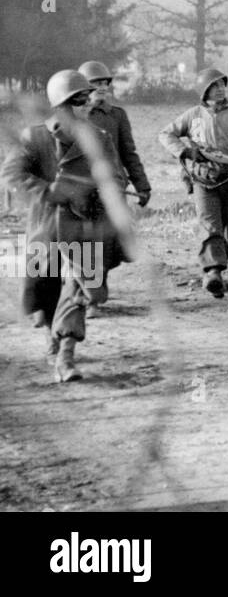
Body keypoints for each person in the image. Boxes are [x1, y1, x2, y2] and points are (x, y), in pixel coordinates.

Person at [1, 70, 118, 382]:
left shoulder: (100, 138)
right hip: (46, 223)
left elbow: (115, 177)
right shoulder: (35, 136)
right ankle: (53, 340)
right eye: (76, 101)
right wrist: (48, 190)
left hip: (86, 225)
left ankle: (66, 353)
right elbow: (12, 174)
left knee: (81, 288)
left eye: (85, 101)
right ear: (60, 105)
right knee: (45, 286)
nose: (84, 106)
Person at [158, 66, 228, 299]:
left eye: (222, 85)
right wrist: (185, 152)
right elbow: (166, 134)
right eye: (214, 86)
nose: (219, 90)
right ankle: (212, 271)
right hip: (202, 178)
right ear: (204, 92)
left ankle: (218, 268)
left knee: (227, 225)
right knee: (209, 223)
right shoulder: (192, 115)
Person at [80, 61, 152, 212]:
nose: (103, 87)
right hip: (82, 187)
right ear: (84, 85)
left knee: (114, 234)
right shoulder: (74, 116)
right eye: (97, 83)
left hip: (114, 186)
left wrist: (143, 186)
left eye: (105, 83)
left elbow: (129, 154)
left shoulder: (117, 115)